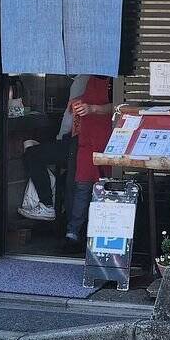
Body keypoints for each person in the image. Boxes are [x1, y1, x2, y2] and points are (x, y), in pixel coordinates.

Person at [17, 75, 89, 221]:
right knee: (36, 153)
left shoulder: (82, 80)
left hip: (74, 141)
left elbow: (72, 114)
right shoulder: (85, 79)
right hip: (77, 140)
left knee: (32, 155)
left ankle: (47, 204)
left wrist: (62, 135)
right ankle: (55, 201)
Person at [63, 75, 113, 252]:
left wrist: (93, 108)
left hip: (108, 141)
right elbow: (84, 101)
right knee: (82, 187)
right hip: (86, 141)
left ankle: (101, 234)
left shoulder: (115, 81)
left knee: (105, 188)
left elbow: (119, 105)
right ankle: (73, 233)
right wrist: (77, 103)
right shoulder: (89, 79)